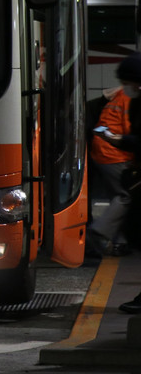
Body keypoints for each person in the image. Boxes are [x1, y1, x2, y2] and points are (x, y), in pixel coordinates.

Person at [92, 51, 141, 314]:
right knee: (126, 197)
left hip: (109, 152)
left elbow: (132, 134)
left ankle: (110, 235)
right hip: (113, 154)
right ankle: (108, 233)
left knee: (124, 197)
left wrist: (122, 141)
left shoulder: (129, 97)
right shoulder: (130, 98)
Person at [88, 71, 135, 256]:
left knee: (117, 196)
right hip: (112, 152)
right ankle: (100, 231)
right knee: (127, 195)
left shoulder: (125, 93)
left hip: (101, 149)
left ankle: (120, 243)